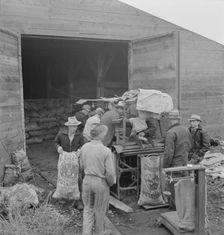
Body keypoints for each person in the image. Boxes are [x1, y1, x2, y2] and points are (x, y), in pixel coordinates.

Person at [80, 123, 115, 235]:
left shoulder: (84, 147)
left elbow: (81, 166)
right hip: (100, 182)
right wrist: (110, 183)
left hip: (87, 180)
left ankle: (86, 233)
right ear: (102, 135)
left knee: (88, 209)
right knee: (99, 211)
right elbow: (110, 173)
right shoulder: (105, 151)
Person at [163, 110, 192, 210]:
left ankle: (175, 210)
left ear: (170, 120)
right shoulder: (186, 130)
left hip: (175, 165)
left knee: (173, 188)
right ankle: (184, 208)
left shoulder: (171, 132)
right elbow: (190, 146)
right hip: (184, 163)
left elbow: (169, 153)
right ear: (178, 119)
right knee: (184, 186)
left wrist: (165, 167)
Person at [54, 116, 84, 210]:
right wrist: (58, 147)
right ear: (68, 127)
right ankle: (61, 197)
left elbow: (82, 144)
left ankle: (77, 200)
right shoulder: (61, 134)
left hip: (75, 159)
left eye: (75, 126)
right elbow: (56, 142)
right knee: (62, 176)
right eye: (72, 126)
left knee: (77, 178)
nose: (74, 128)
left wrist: (80, 150)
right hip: (64, 158)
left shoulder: (79, 135)